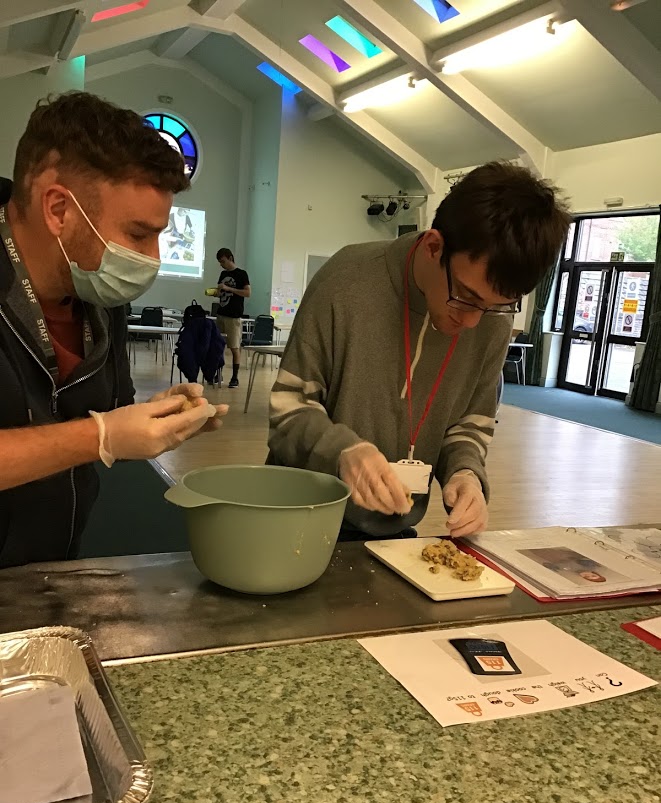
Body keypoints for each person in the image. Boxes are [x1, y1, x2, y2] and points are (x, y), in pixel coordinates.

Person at [268, 162, 571, 540]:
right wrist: (342, 451)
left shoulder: (493, 317)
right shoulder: (346, 281)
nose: (474, 322)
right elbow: (289, 409)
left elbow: (470, 423)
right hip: (296, 516)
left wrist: (466, 473)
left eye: (498, 305)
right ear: (433, 246)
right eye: (466, 297)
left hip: (395, 531)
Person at [0, 92, 228, 569]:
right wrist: (100, 435)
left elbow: (97, 424)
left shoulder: (100, 297)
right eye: (139, 234)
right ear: (59, 210)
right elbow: (92, 434)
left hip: (47, 575)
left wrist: (153, 423)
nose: (153, 258)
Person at [214, 248, 251, 388]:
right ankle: (218, 373)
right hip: (221, 313)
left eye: (223, 261)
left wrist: (230, 289)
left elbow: (247, 293)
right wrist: (216, 292)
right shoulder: (223, 274)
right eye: (220, 262)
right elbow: (220, 293)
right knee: (218, 345)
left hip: (234, 316)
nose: (221, 264)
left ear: (230, 258)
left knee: (234, 347)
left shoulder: (241, 274)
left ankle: (235, 377)